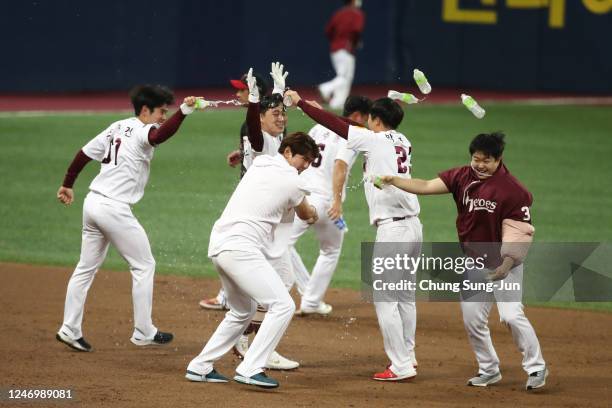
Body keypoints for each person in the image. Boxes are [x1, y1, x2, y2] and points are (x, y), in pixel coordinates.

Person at [374, 132, 548, 391]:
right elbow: (424, 186)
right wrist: (394, 180)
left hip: (505, 264)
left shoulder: (514, 192)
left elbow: (520, 233)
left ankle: (536, 367)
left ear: (499, 159)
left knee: (511, 315)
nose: (479, 165)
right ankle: (489, 369)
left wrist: (506, 265)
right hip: (475, 262)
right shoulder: (461, 176)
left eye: (486, 161)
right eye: (476, 159)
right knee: (472, 320)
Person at [285, 89, 420, 382]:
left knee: (385, 299)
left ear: (374, 119)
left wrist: (300, 104)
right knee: (405, 296)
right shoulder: (403, 141)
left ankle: (400, 365)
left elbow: (334, 123)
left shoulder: (372, 138)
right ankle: (408, 355)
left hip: (393, 229)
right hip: (413, 226)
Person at [55, 85, 200, 352]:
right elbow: (159, 136)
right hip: (113, 209)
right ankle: (144, 330)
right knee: (144, 265)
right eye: (161, 112)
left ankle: (69, 328)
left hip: (92, 204)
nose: (163, 117)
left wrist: (68, 183)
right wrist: (184, 112)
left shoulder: (116, 126)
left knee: (85, 268)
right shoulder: (143, 130)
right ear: (145, 110)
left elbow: (84, 154)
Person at [185, 133, 319, 389]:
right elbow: (306, 212)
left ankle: (200, 366)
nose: (306, 165)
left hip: (220, 246)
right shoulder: (291, 179)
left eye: (311, 162)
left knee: (243, 310)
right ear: (288, 152)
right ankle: (250, 367)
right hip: (241, 250)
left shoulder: (260, 164)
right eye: (304, 159)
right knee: (283, 305)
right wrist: (314, 215)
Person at [289, 95, 372, 315]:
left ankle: (309, 297)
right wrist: (336, 200)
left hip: (303, 196)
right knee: (330, 251)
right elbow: (340, 165)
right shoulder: (354, 134)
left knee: (282, 243)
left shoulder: (318, 127)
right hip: (326, 201)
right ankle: (311, 299)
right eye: (366, 117)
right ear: (357, 116)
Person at [199, 71, 269, 310]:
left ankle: (230, 297)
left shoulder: (262, 121)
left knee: (233, 240)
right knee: (274, 245)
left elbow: (274, 153)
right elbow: (259, 152)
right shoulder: (250, 123)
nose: (237, 93)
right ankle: (308, 294)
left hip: (257, 195)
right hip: (254, 191)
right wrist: (241, 154)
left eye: (242, 89)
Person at [318, 0, 365, 110]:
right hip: (346, 48)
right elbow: (356, 30)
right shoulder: (357, 13)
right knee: (345, 77)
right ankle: (325, 88)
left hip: (335, 49)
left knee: (344, 77)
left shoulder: (339, 13)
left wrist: (336, 40)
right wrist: (355, 42)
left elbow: (328, 30)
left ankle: (337, 103)